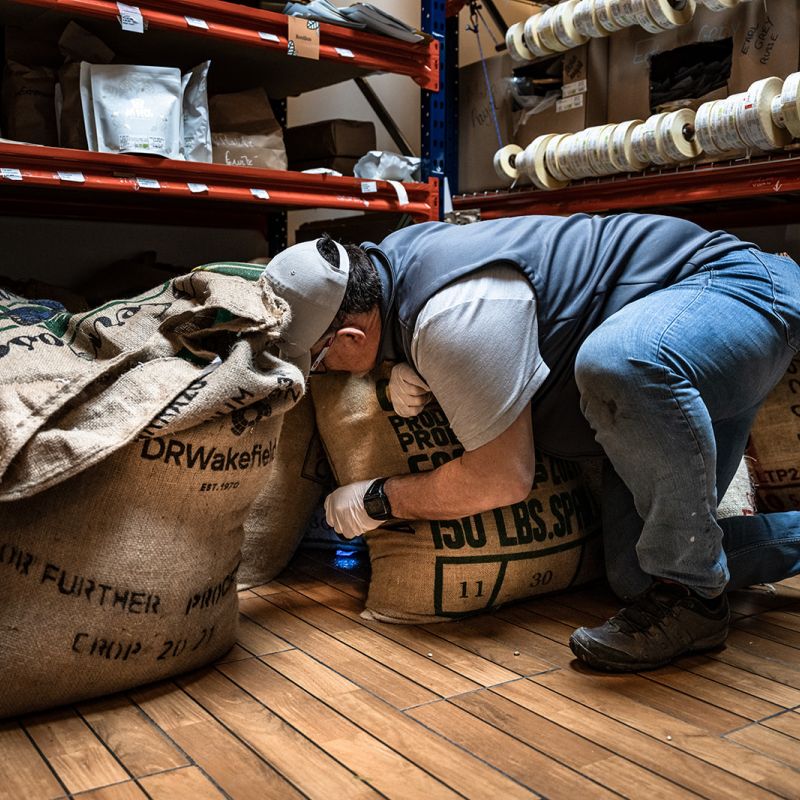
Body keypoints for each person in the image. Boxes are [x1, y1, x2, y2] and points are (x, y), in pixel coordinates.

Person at [262, 214, 800, 672]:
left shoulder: (452, 317)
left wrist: (378, 499)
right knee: (638, 575)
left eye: (320, 360)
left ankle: (695, 601)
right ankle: (696, 577)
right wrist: (402, 363)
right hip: (673, 378)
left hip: (734, 291)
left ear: (351, 337)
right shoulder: (389, 265)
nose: (325, 374)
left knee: (620, 361)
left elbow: (503, 478)